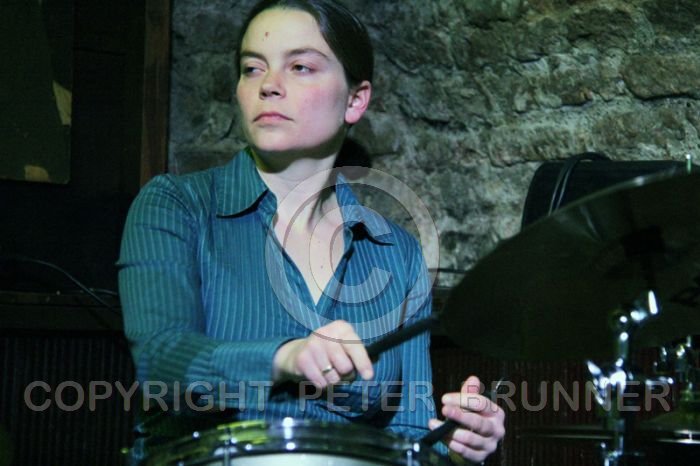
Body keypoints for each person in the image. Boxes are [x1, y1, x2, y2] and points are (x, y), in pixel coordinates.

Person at [118, 0, 505, 463]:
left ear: (355, 100)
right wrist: (285, 357)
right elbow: (160, 362)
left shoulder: (397, 253)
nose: (268, 85)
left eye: (300, 66)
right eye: (252, 68)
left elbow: (404, 432)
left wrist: (455, 447)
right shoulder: (176, 206)